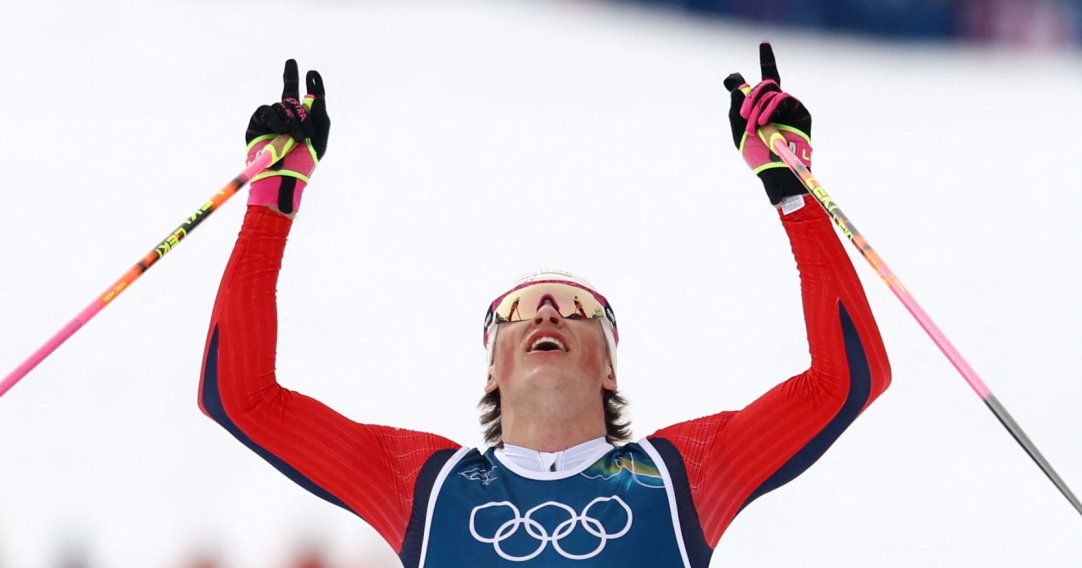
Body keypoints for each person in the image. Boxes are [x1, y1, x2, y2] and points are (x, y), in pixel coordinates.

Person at [198, 43, 891, 567]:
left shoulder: (683, 474)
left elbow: (845, 381)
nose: (549, 311)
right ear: (491, 369)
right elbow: (242, 397)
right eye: (521, 309)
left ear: (611, 370)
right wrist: (272, 201)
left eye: (576, 308)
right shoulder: (426, 487)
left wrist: (792, 191)